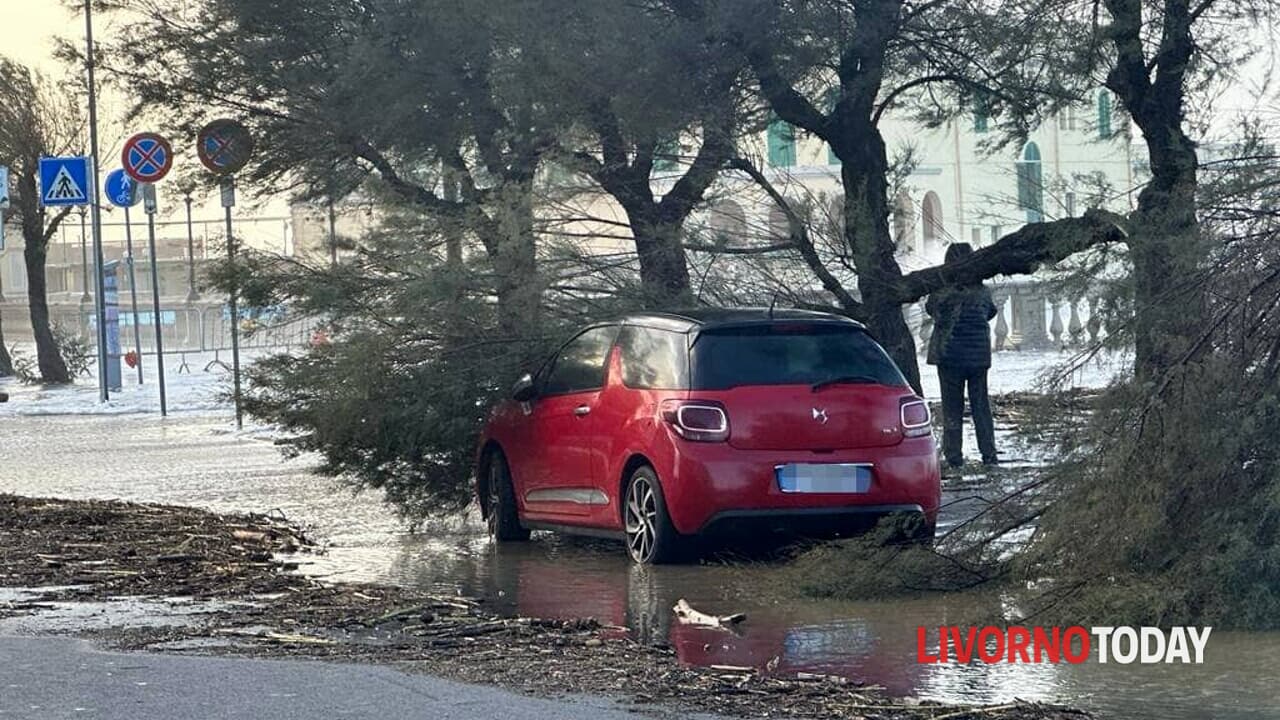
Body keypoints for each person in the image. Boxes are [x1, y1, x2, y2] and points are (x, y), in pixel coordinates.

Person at [925, 243, 998, 467]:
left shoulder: (941, 291)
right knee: (981, 407)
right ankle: (989, 454)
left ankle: (954, 456)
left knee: (952, 408)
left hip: (949, 357)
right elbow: (991, 312)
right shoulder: (982, 291)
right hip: (978, 358)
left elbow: (931, 310)